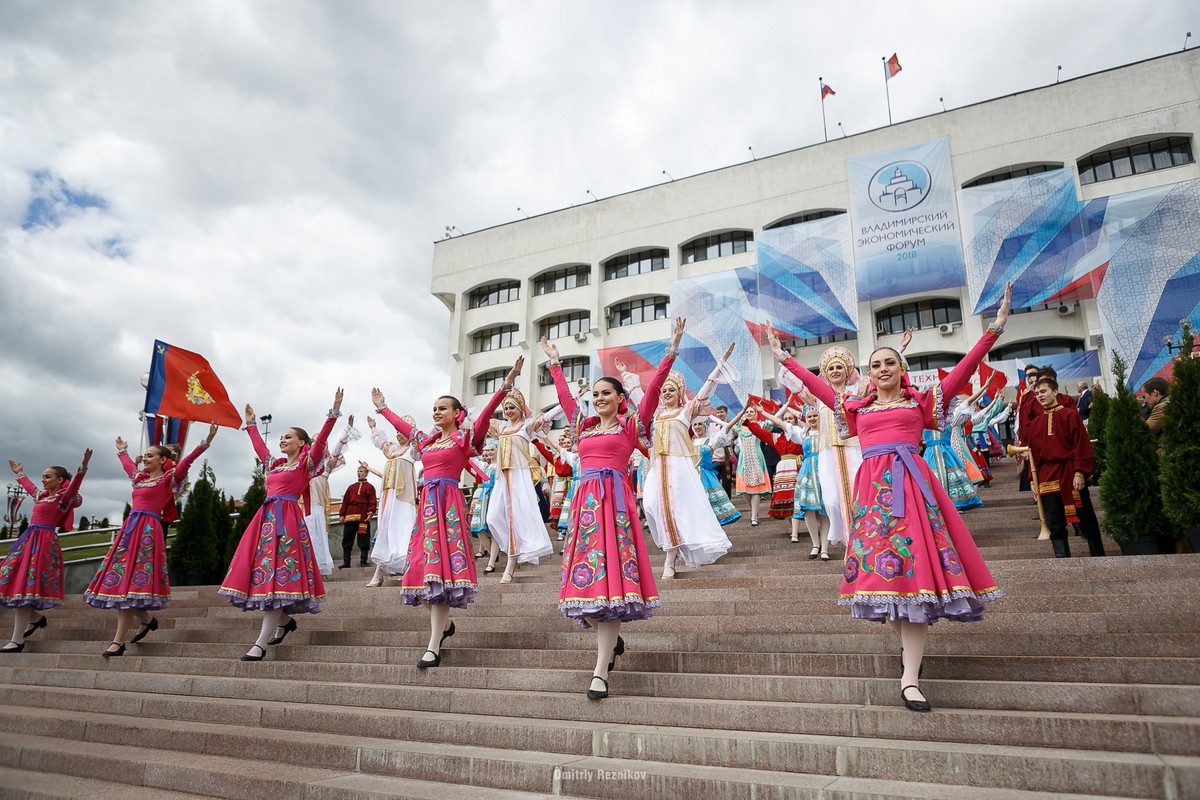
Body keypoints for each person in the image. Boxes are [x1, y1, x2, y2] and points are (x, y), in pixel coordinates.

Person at [767, 282, 1013, 714]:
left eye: (889, 363)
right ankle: (908, 664)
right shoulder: (855, 407)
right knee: (891, 583)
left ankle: (910, 677)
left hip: (914, 492)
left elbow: (960, 373)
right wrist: (784, 357)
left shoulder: (922, 403)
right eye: (876, 364)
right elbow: (817, 386)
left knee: (915, 581)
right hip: (872, 497)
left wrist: (993, 329)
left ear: (903, 370)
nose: (882, 369)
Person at [539, 318, 682, 700]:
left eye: (607, 393)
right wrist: (555, 364)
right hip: (585, 509)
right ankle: (612, 643)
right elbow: (569, 401)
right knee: (585, 590)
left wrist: (670, 352)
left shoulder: (631, 425)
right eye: (597, 394)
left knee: (613, 585)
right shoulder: (584, 428)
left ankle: (600, 671)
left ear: (620, 399)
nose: (600, 398)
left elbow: (651, 394)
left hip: (615, 507)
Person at [371, 357, 516, 668]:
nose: (436, 412)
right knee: (417, 574)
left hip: (448, 506)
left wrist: (507, 384)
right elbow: (405, 429)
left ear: (456, 414)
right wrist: (383, 408)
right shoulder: (427, 441)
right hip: (426, 509)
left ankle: (434, 643)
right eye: (434, 408)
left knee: (439, 576)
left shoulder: (465, 439)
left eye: (443, 408)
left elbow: (487, 413)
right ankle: (445, 628)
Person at [219, 390, 343, 662]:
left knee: (278, 577)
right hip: (264, 523)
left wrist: (332, 413)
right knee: (266, 577)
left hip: (287, 523)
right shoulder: (274, 465)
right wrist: (251, 425)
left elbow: (320, 441)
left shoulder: (305, 464)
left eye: (289, 436)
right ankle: (284, 622)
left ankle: (260, 643)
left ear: (301, 443)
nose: (283, 439)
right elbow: (260, 449)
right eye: (282, 436)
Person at [86, 424, 218, 656]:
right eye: (144, 455)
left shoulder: (168, 479)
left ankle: (118, 642)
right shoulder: (139, 478)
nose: (145, 459)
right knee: (124, 584)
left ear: (163, 460)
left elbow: (187, 462)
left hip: (148, 532)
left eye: (149, 456)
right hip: (130, 530)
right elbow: (129, 466)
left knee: (131, 586)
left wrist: (205, 442)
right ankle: (147, 620)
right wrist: (122, 451)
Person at [618, 342, 736, 578]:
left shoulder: (685, 412)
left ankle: (669, 562)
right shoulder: (654, 413)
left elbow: (706, 389)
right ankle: (674, 545)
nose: (666, 393)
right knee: (651, 504)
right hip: (656, 466)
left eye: (671, 390)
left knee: (675, 509)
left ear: (679, 393)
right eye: (664, 390)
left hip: (679, 466)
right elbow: (641, 394)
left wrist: (719, 366)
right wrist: (624, 374)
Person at [2, 450, 91, 653]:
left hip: (43, 545)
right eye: (42, 476)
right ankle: (36, 619)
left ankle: (17, 640)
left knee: (24, 589)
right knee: (16, 586)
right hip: (28, 542)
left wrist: (83, 468)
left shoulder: (62, 499)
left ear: (60, 480)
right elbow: (31, 487)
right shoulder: (42, 497)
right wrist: (20, 473)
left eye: (47, 476)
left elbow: (74, 487)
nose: (43, 480)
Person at [1026, 377, 1106, 558]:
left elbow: (1081, 445)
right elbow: (1035, 456)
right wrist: (1033, 480)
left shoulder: (1070, 415)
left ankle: (1098, 556)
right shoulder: (1036, 423)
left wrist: (1080, 472)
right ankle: (1063, 560)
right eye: (1037, 393)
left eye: (1043, 391)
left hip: (1071, 472)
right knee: (1054, 522)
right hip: (1047, 475)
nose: (1040, 396)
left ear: (1055, 392)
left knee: (1086, 518)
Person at [486, 384, 555, 584]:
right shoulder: (501, 428)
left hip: (519, 476)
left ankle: (511, 562)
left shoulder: (525, 427)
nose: (508, 411)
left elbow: (547, 416)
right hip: (501, 478)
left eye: (512, 408)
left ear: (520, 409)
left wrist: (571, 401)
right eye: (506, 408)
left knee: (519, 516)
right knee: (492, 517)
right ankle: (511, 550)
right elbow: (480, 418)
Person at [363, 414, 419, 587]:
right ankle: (378, 573)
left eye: (402, 430)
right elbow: (381, 441)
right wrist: (373, 427)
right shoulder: (392, 450)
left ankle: (409, 570)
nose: (399, 433)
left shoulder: (413, 449)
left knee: (403, 530)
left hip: (404, 499)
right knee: (385, 530)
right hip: (388, 497)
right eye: (397, 430)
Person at [305, 418, 359, 578]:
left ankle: (320, 567)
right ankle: (306, 565)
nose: (320, 445)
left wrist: (347, 428)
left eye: (322, 443)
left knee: (320, 535)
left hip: (319, 504)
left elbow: (338, 446)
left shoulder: (328, 463)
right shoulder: (304, 463)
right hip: (304, 504)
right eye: (315, 442)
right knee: (307, 534)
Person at [745, 404, 804, 523]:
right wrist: (751, 421)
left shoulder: (800, 432)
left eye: (790, 418)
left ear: (795, 420)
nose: (788, 421)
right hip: (783, 469)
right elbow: (760, 433)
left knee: (797, 496)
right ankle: (792, 529)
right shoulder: (778, 437)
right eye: (786, 419)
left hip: (798, 466)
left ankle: (795, 531)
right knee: (784, 499)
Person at [692, 412, 745, 527]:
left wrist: (743, 410)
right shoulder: (689, 442)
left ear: (705, 425)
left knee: (710, 505)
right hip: (692, 477)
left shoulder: (711, 440)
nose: (697, 427)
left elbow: (727, 426)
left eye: (700, 424)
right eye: (695, 424)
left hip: (707, 477)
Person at [734, 407, 771, 526]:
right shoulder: (739, 426)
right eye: (747, 412)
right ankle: (753, 511)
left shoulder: (760, 425)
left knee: (756, 488)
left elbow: (772, 421)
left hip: (756, 458)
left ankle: (754, 516)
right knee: (744, 490)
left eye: (751, 411)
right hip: (744, 459)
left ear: (756, 414)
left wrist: (763, 412)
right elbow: (724, 424)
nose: (749, 413)